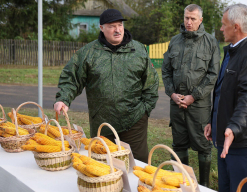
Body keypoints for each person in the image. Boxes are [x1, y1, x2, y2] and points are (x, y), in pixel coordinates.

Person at [54, 9, 159, 163]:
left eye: (120, 25)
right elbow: (72, 78)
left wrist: (144, 111)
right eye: (111, 26)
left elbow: (151, 82)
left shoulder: (138, 50)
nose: (117, 30)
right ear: (101, 28)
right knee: (103, 164)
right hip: (102, 122)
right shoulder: (88, 53)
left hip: (134, 121)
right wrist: (63, 98)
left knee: (136, 163)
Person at [204, 4, 247, 192]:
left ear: (236, 27)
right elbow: (222, 92)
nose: (221, 29)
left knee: (241, 188)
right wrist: (214, 122)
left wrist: (233, 127)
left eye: (224, 25)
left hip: (241, 142)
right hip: (227, 139)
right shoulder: (232, 50)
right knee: (225, 187)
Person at [162, 4, 220, 187]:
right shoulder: (174, 41)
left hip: (199, 106)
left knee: (204, 147)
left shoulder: (211, 42)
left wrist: (193, 96)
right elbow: (165, 71)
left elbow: (213, 75)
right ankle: (183, 184)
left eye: (193, 18)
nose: (188, 22)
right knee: (179, 145)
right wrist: (172, 94)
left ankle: (203, 186)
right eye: (186, 18)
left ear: (200, 20)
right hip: (176, 105)